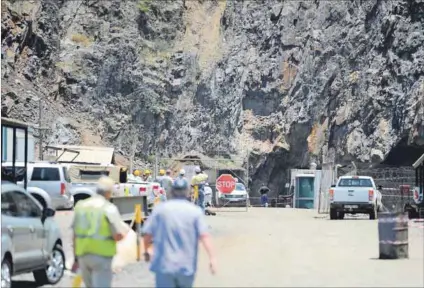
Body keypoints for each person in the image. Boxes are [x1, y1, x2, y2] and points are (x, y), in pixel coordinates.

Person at [142, 177, 217, 288]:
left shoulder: (161, 210)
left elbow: (147, 234)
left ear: (171, 191)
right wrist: (212, 258)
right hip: (186, 266)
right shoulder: (194, 211)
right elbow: (204, 235)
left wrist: (147, 250)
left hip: (164, 266)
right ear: (187, 192)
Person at [71, 176, 128, 288]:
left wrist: (75, 259)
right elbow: (118, 235)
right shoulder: (109, 208)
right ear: (108, 193)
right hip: (102, 256)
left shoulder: (81, 206)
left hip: (83, 255)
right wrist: (125, 233)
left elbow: (74, 235)